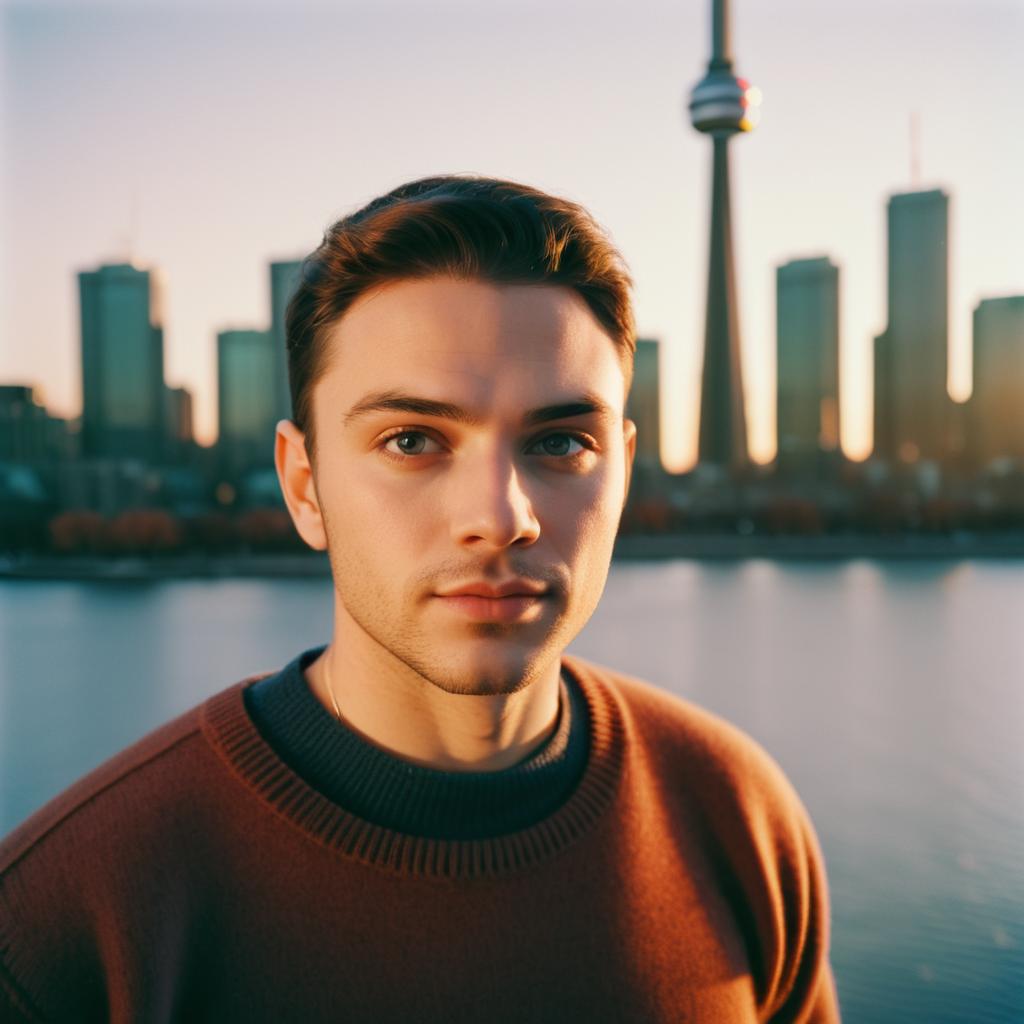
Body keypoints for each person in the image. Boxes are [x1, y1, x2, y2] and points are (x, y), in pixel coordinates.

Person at [0, 176, 840, 1022]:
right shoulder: (56, 930)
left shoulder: (740, 818)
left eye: (559, 442)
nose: (498, 518)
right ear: (304, 487)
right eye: (411, 440)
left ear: (622, 469)